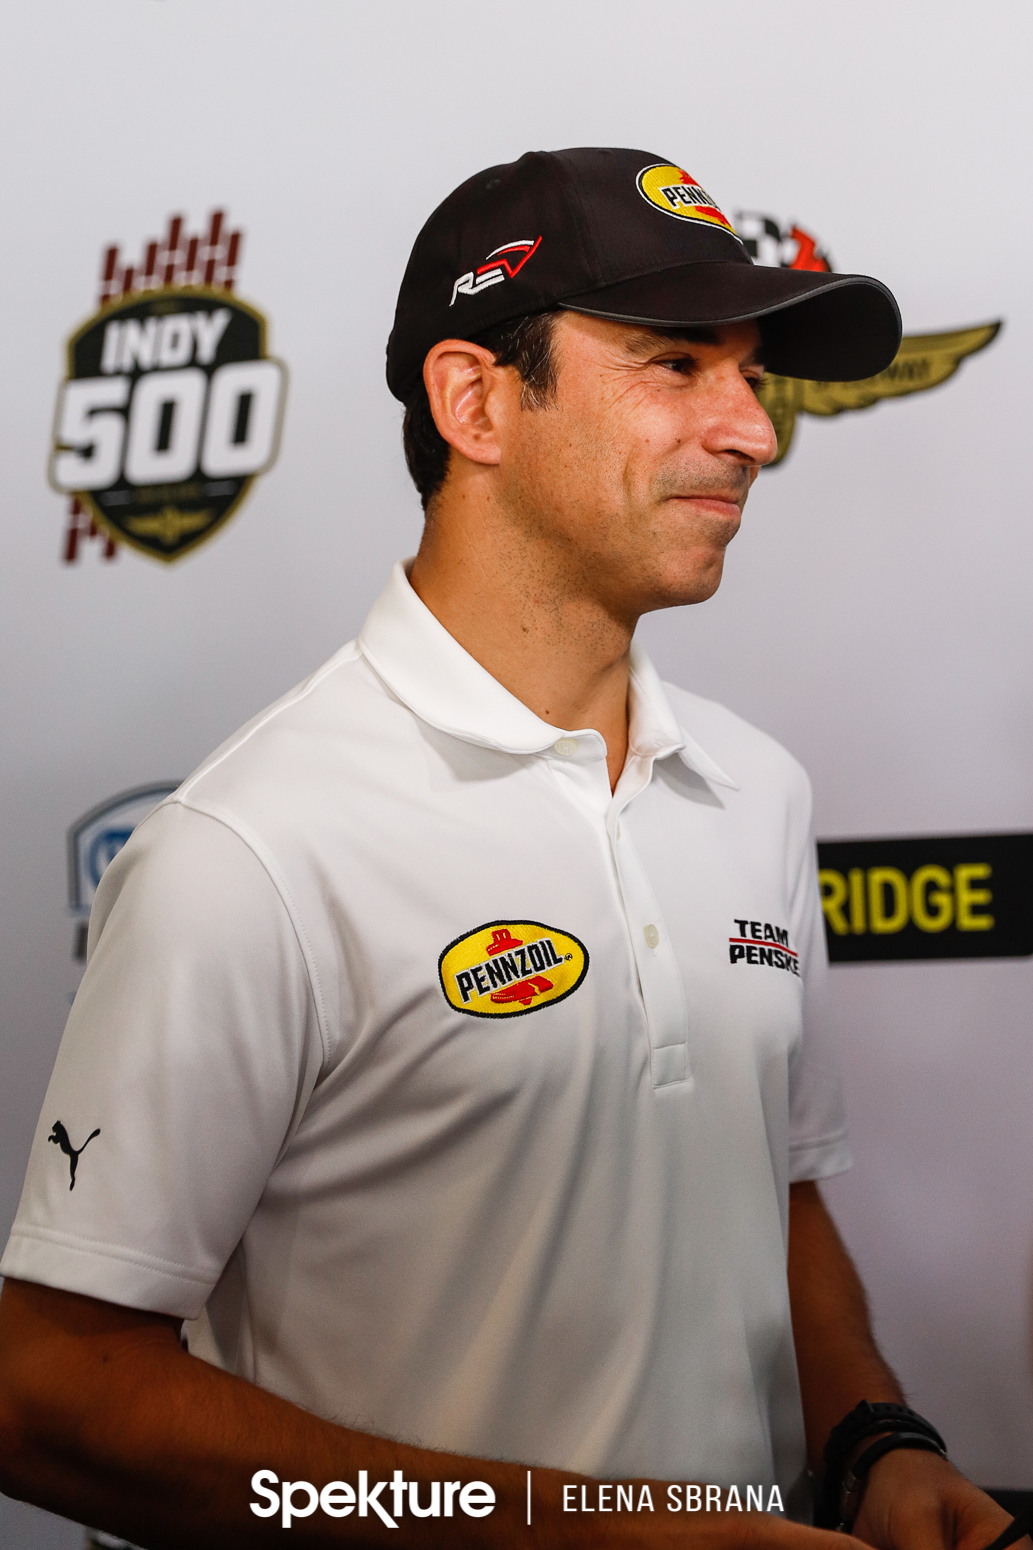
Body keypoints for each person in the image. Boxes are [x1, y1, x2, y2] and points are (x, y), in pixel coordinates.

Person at [0, 148, 1018, 1550]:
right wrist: (572, 1532)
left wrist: (871, 1444)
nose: (754, 433)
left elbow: (766, 1192)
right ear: (475, 400)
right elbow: (48, 1391)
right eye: (676, 366)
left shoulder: (756, 792)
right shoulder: (248, 846)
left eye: (748, 375)